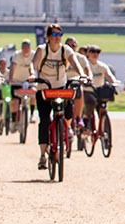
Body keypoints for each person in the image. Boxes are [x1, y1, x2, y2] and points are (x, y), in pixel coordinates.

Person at [32, 23, 89, 169]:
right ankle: (42, 155)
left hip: (60, 87)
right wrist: (33, 75)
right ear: (48, 37)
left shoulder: (65, 50)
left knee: (68, 110)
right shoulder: (42, 49)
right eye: (54, 35)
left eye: (60, 35)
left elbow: (74, 62)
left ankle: (67, 128)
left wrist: (82, 74)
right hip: (44, 88)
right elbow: (34, 64)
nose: (57, 38)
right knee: (44, 120)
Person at [6, 40, 36, 133]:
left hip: (29, 81)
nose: (26, 49)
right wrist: (10, 78)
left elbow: (33, 66)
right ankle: (14, 120)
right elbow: (13, 66)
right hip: (17, 81)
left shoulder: (34, 55)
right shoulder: (17, 55)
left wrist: (33, 75)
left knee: (34, 93)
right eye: (24, 47)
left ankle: (32, 114)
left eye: (27, 47)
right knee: (15, 101)